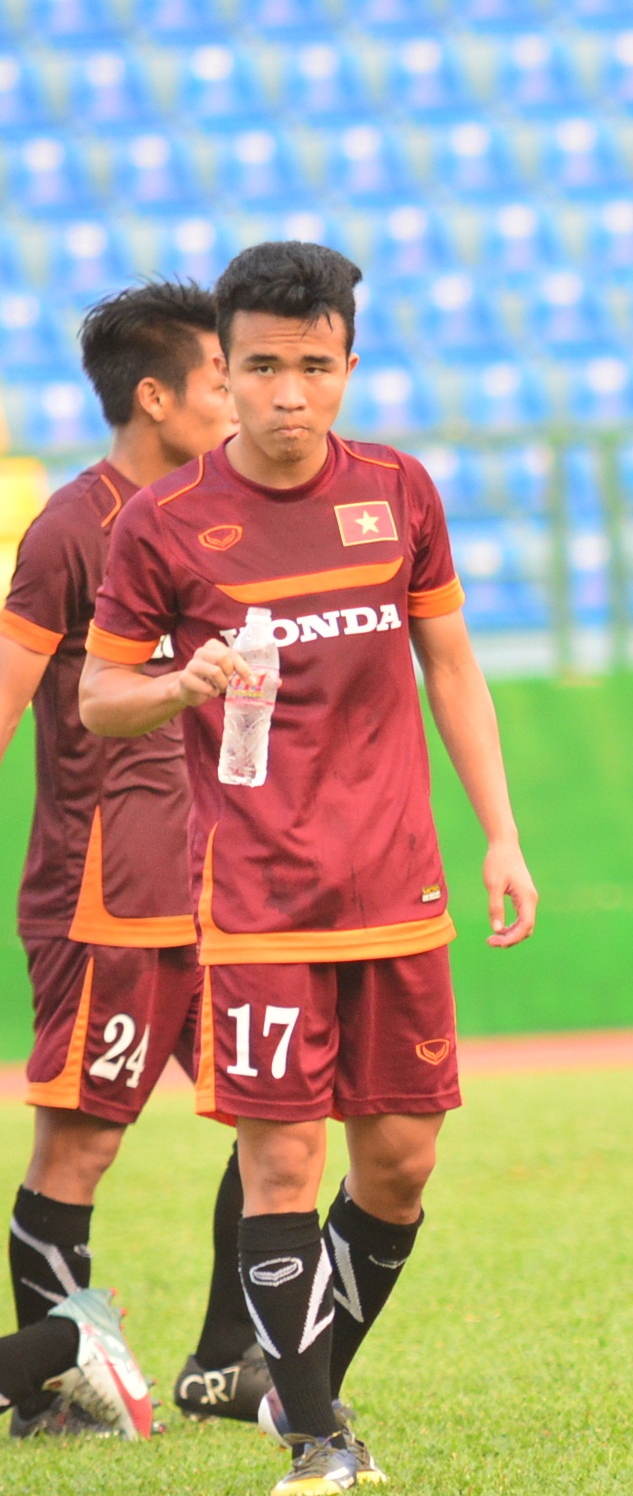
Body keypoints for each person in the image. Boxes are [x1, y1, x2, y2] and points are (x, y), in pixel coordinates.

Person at [80, 241, 539, 1496]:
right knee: (282, 1164)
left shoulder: (397, 489)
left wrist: (500, 833)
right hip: (260, 896)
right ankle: (317, 1436)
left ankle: (298, 1378)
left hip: (399, 885)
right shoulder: (166, 524)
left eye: (316, 367)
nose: (291, 394)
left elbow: (451, 663)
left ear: (349, 365)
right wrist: (180, 681)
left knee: (400, 1166)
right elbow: (102, 695)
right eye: (264, 367)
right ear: (223, 371)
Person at [0, 282, 250, 1443]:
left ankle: (224, 1364)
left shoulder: (229, 516)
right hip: (107, 893)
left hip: (228, 886)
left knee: (282, 1118)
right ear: (155, 397)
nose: (239, 402)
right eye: (220, 382)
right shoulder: (71, 529)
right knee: (82, 1144)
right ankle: (52, 1390)